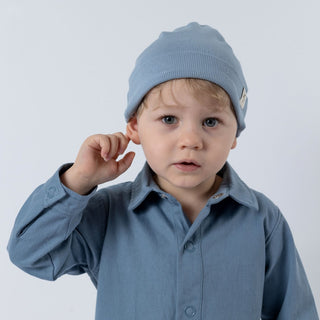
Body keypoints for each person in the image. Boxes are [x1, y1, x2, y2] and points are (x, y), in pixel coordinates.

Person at [7, 22, 318, 319]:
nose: (190, 140)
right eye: (169, 119)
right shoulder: (108, 213)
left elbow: (295, 312)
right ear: (134, 127)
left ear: (235, 133)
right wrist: (78, 181)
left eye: (211, 122)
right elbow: (29, 253)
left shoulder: (262, 220)